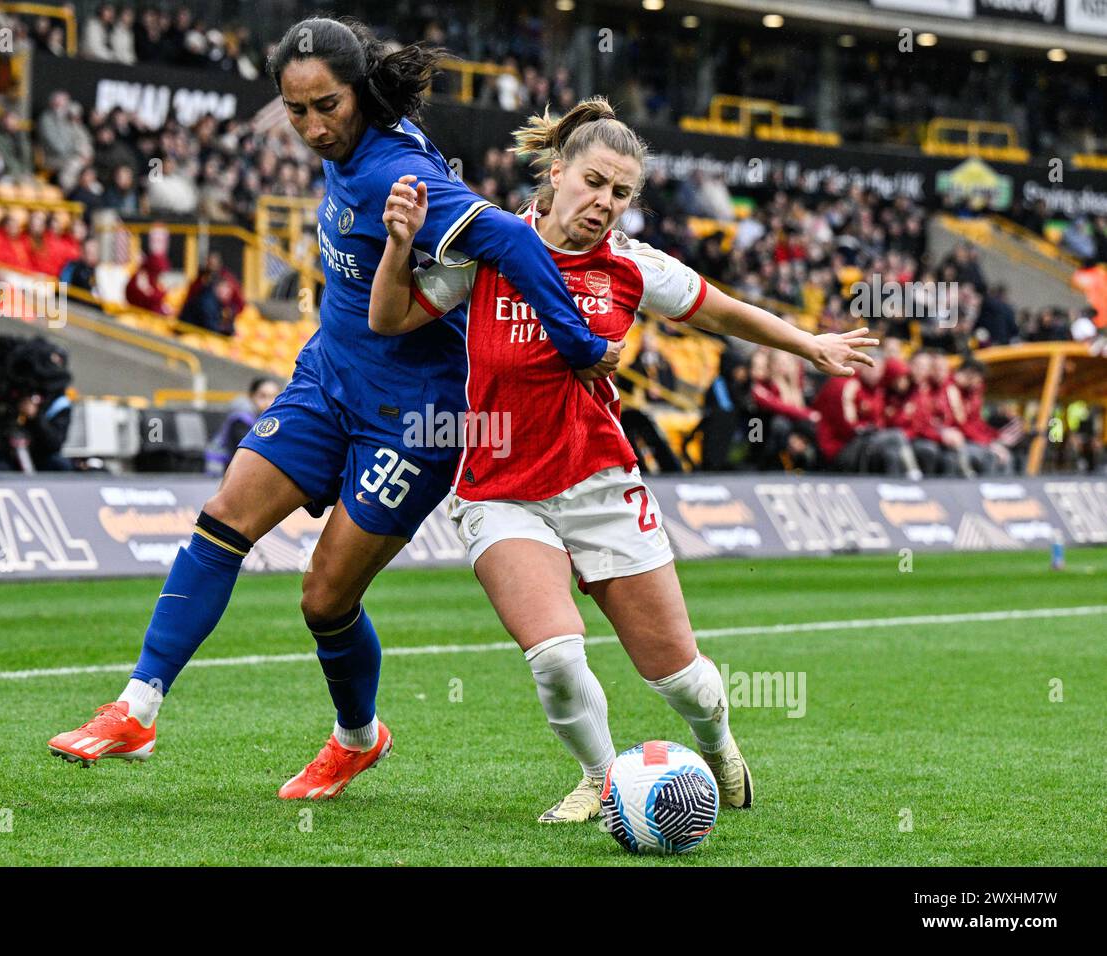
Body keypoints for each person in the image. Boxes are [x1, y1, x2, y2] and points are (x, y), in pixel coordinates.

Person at [46, 18, 619, 801]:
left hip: (414, 417)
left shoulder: (392, 170)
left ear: (358, 95)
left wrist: (579, 345)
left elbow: (512, 245)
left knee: (325, 598)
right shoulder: (355, 147)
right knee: (222, 520)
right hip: (327, 379)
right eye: (297, 109)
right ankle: (137, 708)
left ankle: (357, 738)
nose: (314, 126)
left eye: (327, 106)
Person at [367, 98, 877, 820]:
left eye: (621, 193)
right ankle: (605, 781)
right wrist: (398, 243)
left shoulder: (632, 267)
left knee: (681, 680)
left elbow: (721, 310)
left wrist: (810, 344)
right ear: (556, 171)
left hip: (601, 483)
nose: (605, 203)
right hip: (499, 487)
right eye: (594, 182)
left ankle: (721, 747)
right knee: (555, 656)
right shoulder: (490, 248)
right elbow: (388, 318)